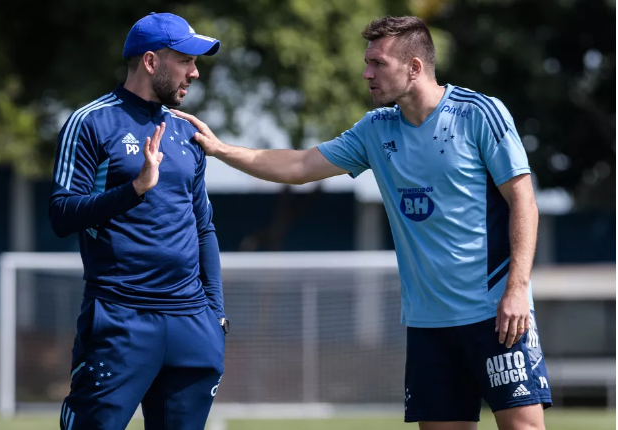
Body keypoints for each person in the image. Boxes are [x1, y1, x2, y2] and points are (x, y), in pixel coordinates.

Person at [171, 15, 552, 430]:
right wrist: (221, 149)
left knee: (523, 428)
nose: (366, 72)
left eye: (378, 63)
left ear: (415, 67)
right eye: (366, 62)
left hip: (495, 311)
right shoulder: (376, 130)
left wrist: (516, 290)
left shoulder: (478, 113)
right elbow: (299, 165)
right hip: (428, 322)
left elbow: (523, 202)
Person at [49, 12, 228, 430]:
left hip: (192, 324)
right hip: (121, 318)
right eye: (186, 60)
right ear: (151, 62)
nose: (195, 73)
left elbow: (204, 227)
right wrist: (134, 189)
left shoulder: (186, 132)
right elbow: (61, 213)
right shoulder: (91, 122)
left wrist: (215, 313)